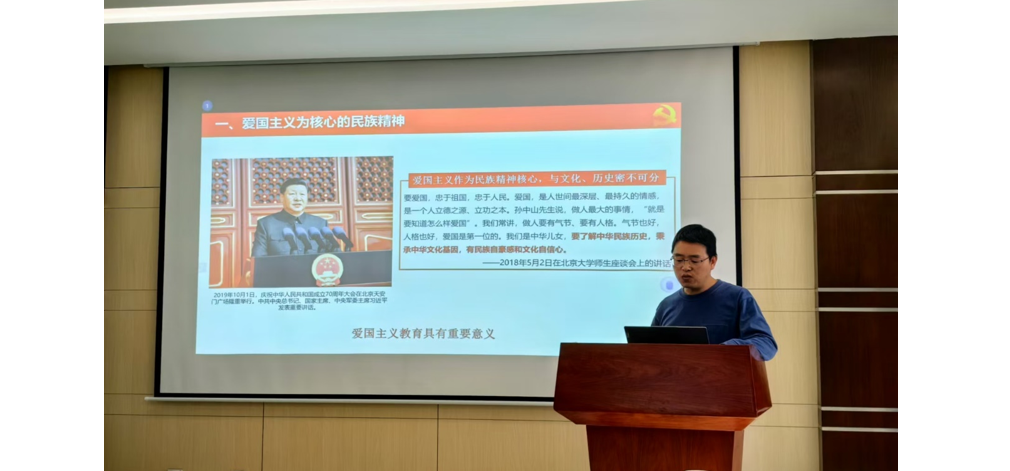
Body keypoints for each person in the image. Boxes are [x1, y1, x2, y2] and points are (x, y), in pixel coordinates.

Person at [651, 224, 778, 361]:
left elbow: (766, 343)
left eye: (694, 260)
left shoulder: (738, 297)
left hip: (723, 374)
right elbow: (649, 349)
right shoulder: (666, 305)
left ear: (712, 261)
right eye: (679, 260)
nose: (686, 267)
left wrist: (723, 350)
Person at [251, 178, 334, 257]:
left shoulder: (320, 223)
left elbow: (334, 257)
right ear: (282, 197)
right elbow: (258, 260)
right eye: (292, 194)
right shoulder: (266, 224)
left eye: (302, 194)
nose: (298, 199)